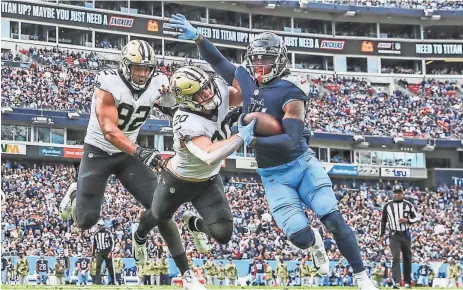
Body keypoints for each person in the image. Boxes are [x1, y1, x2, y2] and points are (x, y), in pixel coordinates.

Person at [168, 13, 379, 290]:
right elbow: (219, 62)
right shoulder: (246, 78)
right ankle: (315, 243)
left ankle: (362, 278)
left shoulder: (292, 89)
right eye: (255, 58)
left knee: (333, 218)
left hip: (301, 164)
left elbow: (291, 140)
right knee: (300, 237)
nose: (259, 64)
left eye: (265, 59)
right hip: (273, 174)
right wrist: (198, 38)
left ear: (279, 59)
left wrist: (249, 139)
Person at [58, 39, 186, 271]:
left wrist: (170, 101)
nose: (142, 73)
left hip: (127, 154)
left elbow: (173, 110)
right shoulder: (108, 82)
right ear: (126, 66)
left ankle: (187, 273)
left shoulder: (158, 82)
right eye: (137, 67)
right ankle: (75, 193)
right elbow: (109, 130)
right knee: (86, 220)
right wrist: (140, 151)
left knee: (161, 206)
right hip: (99, 151)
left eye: (146, 68)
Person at [131, 65, 253, 288]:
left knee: (223, 233)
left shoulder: (216, 88)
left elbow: (241, 96)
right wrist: (240, 136)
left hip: (209, 180)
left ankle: (195, 224)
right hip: (178, 179)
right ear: (186, 100)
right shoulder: (185, 120)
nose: (206, 94)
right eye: (198, 93)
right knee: (157, 216)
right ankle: (139, 236)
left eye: (205, 87)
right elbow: (209, 154)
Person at [381, 184, 420, 289]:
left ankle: (407, 282)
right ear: (393, 194)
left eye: (399, 192)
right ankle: (396, 282)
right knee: (396, 258)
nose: (397, 194)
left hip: (405, 234)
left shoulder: (408, 204)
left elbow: (416, 217)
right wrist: (381, 234)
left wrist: (407, 220)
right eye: (396, 193)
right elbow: (383, 220)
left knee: (407, 257)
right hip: (394, 234)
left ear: (403, 193)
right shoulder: (388, 205)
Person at [92, 220, 115, 285]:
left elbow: (112, 242)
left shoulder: (108, 232)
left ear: (103, 225)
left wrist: (110, 252)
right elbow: (94, 244)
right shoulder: (96, 234)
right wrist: (93, 253)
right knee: (98, 265)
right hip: (100, 251)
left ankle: (113, 281)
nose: (100, 227)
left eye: (101, 225)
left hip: (107, 251)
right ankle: (97, 282)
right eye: (99, 225)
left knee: (110, 266)